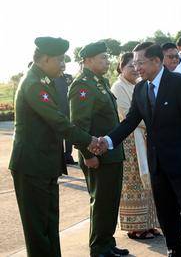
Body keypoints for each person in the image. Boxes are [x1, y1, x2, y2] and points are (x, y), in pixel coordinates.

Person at [98, 43, 181, 257]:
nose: (137, 67)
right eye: (135, 63)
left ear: (157, 61)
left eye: (140, 62)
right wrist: (108, 141)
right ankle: (175, 248)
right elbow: (130, 122)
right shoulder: (141, 88)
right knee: (166, 211)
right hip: (157, 162)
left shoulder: (179, 83)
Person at [9, 36, 98, 257]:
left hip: (43, 164)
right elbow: (59, 121)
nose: (63, 65)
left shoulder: (42, 81)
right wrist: (90, 141)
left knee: (49, 224)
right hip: (31, 165)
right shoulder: (33, 84)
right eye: (59, 60)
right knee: (38, 229)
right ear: (45, 59)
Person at [69, 41, 128, 257]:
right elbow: (78, 125)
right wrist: (87, 154)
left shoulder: (100, 82)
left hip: (111, 154)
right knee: (101, 201)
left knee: (110, 201)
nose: (107, 61)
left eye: (106, 57)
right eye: (102, 57)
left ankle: (107, 242)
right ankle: (98, 248)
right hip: (97, 156)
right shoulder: (83, 85)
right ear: (88, 60)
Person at [111, 52, 160, 240]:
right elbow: (127, 114)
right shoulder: (118, 88)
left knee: (149, 183)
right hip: (131, 142)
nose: (134, 69)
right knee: (134, 184)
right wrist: (153, 122)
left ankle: (149, 223)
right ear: (121, 67)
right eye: (130, 66)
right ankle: (136, 227)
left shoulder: (141, 86)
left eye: (137, 65)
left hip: (146, 138)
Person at [53, 63, 76, 164]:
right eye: (60, 64)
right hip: (58, 109)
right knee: (59, 133)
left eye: (64, 64)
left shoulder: (68, 77)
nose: (63, 66)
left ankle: (68, 155)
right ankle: (60, 156)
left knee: (69, 132)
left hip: (68, 108)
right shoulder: (53, 78)